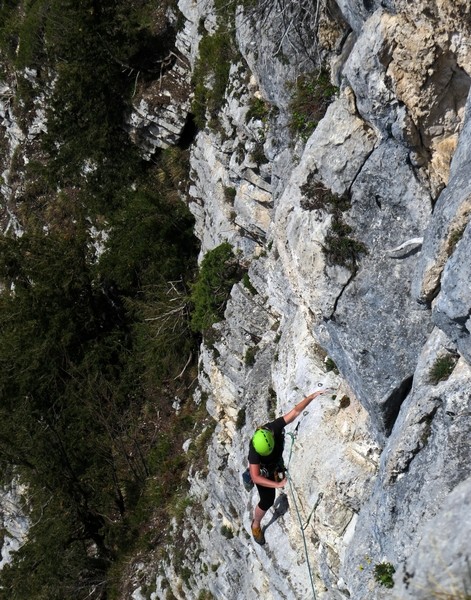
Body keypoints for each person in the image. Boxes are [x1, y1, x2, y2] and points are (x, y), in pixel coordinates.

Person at [248, 388, 330, 545]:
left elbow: (295, 412)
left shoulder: (273, 428)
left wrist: (312, 396)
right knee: (267, 500)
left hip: (277, 461)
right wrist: (277, 484)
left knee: (277, 474)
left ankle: (274, 471)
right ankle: (256, 525)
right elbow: (256, 477)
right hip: (264, 470)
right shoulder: (254, 450)